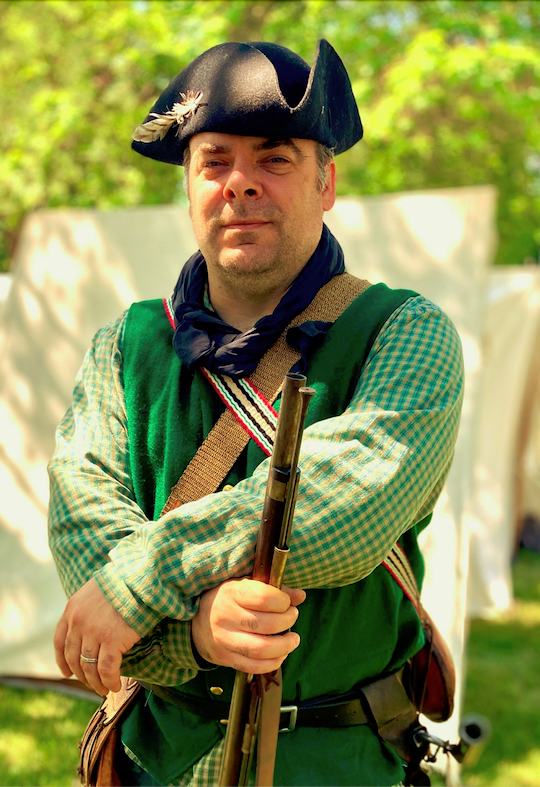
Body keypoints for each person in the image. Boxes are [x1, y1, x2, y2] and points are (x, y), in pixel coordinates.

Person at [48, 39, 464, 787]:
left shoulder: (405, 330)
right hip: (154, 756)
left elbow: (346, 508)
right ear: (189, 187)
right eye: (214, 162)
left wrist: (147, 576)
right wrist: (196, 635)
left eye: (275, 159)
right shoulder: (123, 345)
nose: (240, 182)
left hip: (339, 763)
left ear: (326, 182)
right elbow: (85, 534)